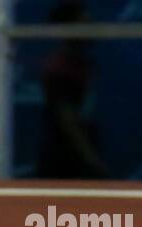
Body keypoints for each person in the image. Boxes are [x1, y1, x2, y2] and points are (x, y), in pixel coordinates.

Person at [38, 0, 109, 179]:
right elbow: (67, 119)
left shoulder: (87, 65)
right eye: (85, 25)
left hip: (84, 156)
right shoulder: (58, 69)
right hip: (63, 163)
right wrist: (91, 160)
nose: (91, 30)